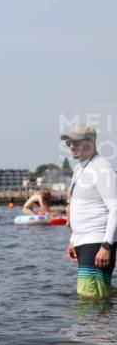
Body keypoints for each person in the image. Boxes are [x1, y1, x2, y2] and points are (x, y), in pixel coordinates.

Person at [62, 124, 117, 300]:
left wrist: (106, 245)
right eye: (69, 142)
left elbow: (115, 207)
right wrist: (74, 239)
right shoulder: (79, 168)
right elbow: (81, 207)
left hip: (98, 242)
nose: (72, 146)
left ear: (92, 142)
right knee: (94, 298)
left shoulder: (102, 168)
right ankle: (101, 327)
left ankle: (94, 329)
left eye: (76, 142)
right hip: (84, 241)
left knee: (89, 298)